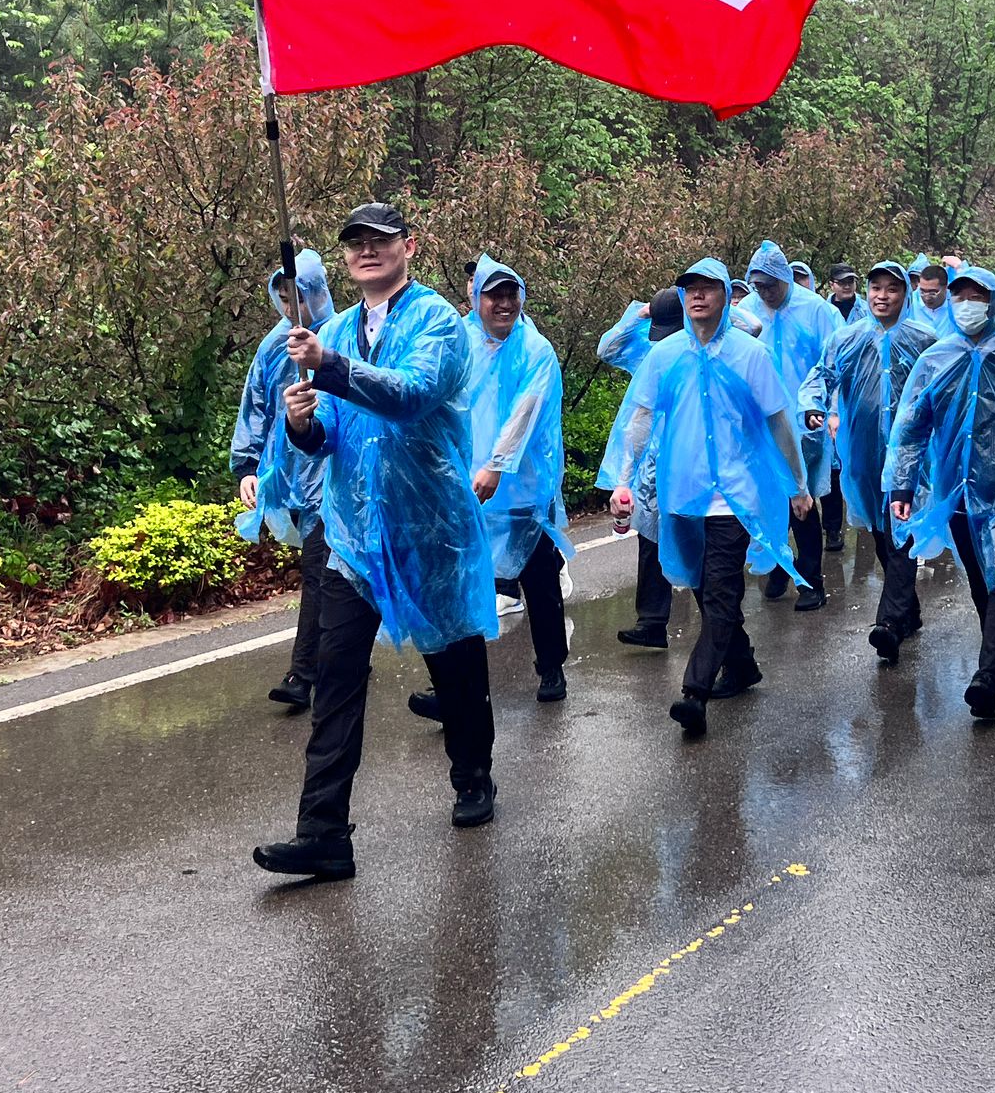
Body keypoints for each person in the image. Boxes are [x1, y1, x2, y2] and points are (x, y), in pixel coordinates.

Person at [252, 202, 500, 882]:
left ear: (408, 247)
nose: (366, 251)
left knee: (454, 665)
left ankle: (473, 775)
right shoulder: (332, 329)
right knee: (335, 679)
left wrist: (329, 366)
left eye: (380, 240)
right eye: (355, 242)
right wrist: (302, 424)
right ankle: (323, 832)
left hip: (430, 532)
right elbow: (327, 435)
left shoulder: (438, 322)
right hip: (352, 538)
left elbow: (411, 395)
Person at [609, 258, 813, 740]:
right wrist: (623, 480)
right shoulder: (665, 355)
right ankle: (742, 666)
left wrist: (798, 485)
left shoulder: (750, 355)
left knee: (721, 592)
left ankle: (694, 693)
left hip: (734, 499)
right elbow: (639, 419)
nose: (698, 296)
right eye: (690, 289)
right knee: (704, 591)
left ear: (726, 295)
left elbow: (779, 423)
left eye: (708, 288)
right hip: (682, 496)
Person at [885, 267, 995, 720]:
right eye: (959, 295)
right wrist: (903, 484)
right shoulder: (936, 359)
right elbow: (911, 427)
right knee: (983, 580)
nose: (966, 304)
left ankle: (987, 676)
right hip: (958, 491)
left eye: (976, 296)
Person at [428, 255, 571, 707]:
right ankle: (453, 689)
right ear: (476, 298)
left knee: (539, 581)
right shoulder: (459, 341)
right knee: (460, 587)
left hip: (522, 489)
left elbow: (525, 413)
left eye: (511, 294)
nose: (504, 303)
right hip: (464, 485)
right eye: (494, 295)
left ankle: (551, 666)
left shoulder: (535, 350)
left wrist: (496, 465)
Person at [802, 259, 937, 663]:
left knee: (901, 527)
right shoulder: (847, 338)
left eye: (891, 289)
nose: (882, 296)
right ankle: (908, 610)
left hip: (910, 453)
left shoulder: (924, 339)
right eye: (876, 288)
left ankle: (889, 623)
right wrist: (814, 406)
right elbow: (822, 374)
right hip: (861, 450)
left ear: (905, 294)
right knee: (880, 532)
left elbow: (944, 387)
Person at [234, 250, 338, 712]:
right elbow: (256, 406)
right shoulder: (274, 345)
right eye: (282, 298)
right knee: (336, 576)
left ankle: (302, 675)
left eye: (296, 296)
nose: (289, 306)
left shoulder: (340, 338)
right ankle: (347, 653)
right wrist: (247, 467)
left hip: (334, 476)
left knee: (317, 571)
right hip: (291, 474)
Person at [746, 240, 844, 610]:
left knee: (801, 501)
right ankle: (778, 566)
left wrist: (830, 409)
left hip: (803, 423)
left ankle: (811, 581)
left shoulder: (816, 310)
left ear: (785, 278)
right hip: (760, 425)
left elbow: (834, 363)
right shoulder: (747, 312)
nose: (764, 292)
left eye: (770, 285)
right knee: (768, 502)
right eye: (758, 286)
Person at [600, 287, 687, 648]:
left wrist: (716, 307)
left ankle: (725, 635)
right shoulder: (649, 351)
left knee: (697, 537)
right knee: (650, 533)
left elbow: (753, 326)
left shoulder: (708, 347)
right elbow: (606, 349)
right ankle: (652, 622)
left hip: (693, 458)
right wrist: (639, 312)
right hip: (652, 459)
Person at [907, 255, 952, 332]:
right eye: (922, 291)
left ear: (946, 288)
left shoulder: (955, 304)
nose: (927, 297)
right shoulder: (909, 303)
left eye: (933, 292)